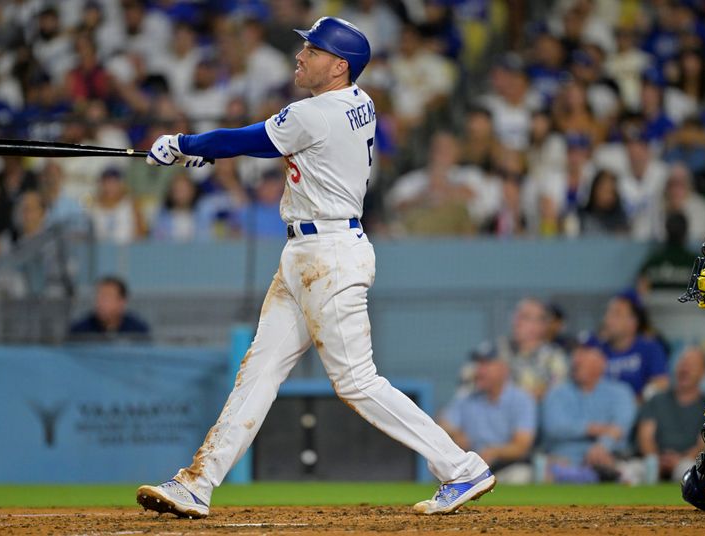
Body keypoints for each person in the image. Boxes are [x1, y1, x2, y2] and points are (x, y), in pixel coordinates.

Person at [136, 17, 495, 519]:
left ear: (339, 66)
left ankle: (460, 467)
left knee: (356, 381)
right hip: (308, 254)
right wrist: (209, 153)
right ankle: (198, 484)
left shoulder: (317, 112)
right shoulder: (360, 103)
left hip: (328, 256)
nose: (301, 55)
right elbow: (279, 148)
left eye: (314, 49)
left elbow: (251, 139)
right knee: (257, 373)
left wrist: (182, 145)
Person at [540, 336, 637, 483]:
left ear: (602, 361)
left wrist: (602, 446)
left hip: (608, 459)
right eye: (575, 353)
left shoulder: (620, 392)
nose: (577, 359)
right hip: (563, 462)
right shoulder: (557, 392)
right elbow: (554, 427)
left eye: (585, 353)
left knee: (627, 470)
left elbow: (620, 427)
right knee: (547, 469)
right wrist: (592, 428)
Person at [439, 342, 536, 484]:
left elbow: (521, 445)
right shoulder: (469, 397)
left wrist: (494, 452)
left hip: (507, 466)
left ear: (503, 368)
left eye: (487, 364)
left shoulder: (521, 399)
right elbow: (442, 423)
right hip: (472, 468)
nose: (480, 370)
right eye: (478, 364)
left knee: (520, 475)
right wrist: (455, 432)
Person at [637, 347, 705, 482]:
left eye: (691, 366)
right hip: (655, 461)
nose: (684, 369)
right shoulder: (656, 400)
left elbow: (703, 444)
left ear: (703, 373)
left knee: (690, 471)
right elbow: (645, 437)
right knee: (631, 471)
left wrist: (679, 461)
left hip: (690, 461)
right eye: (682, 364)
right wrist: (656, 459)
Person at [597, 293, 669, 400]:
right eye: (608, 313)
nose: (608, 320)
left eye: (616, 314)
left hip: (640, 412)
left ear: (633, 322)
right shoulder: (597, 350)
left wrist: (635, 402)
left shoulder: (649, 348)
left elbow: (662, 383)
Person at [68, 276, 149, 337]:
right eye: (98, 297)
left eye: (106, 297)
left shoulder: (138, 331)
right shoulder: (80, 331)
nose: (100, 302)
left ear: (122, 302)